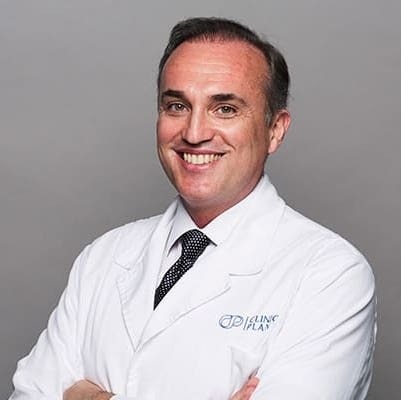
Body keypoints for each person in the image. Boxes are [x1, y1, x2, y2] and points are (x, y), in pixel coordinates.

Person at [9, 17, 376, 400]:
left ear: (275, 130)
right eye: (177, 106)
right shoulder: (102, 257)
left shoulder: (331, 274)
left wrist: (90, 397)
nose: (194, 133)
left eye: (225, 109)